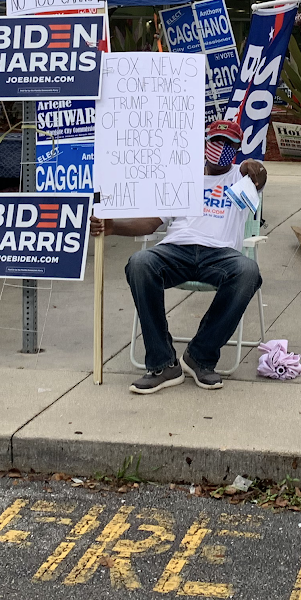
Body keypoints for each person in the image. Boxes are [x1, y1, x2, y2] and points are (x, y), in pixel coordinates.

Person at [91, 119, 269, 394]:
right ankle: (163, 364)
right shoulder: (183, 177)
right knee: (140, 263)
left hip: (220, 255)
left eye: (229, 144)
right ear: (205, 142)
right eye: (216, 141)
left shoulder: (241, 179)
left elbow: (260, 174)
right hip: (176, 250)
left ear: (237, 149)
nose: (221, 148)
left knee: (248, 271)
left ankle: (200, 356)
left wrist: (252, 166)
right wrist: (113, 227)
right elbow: (151, 223)